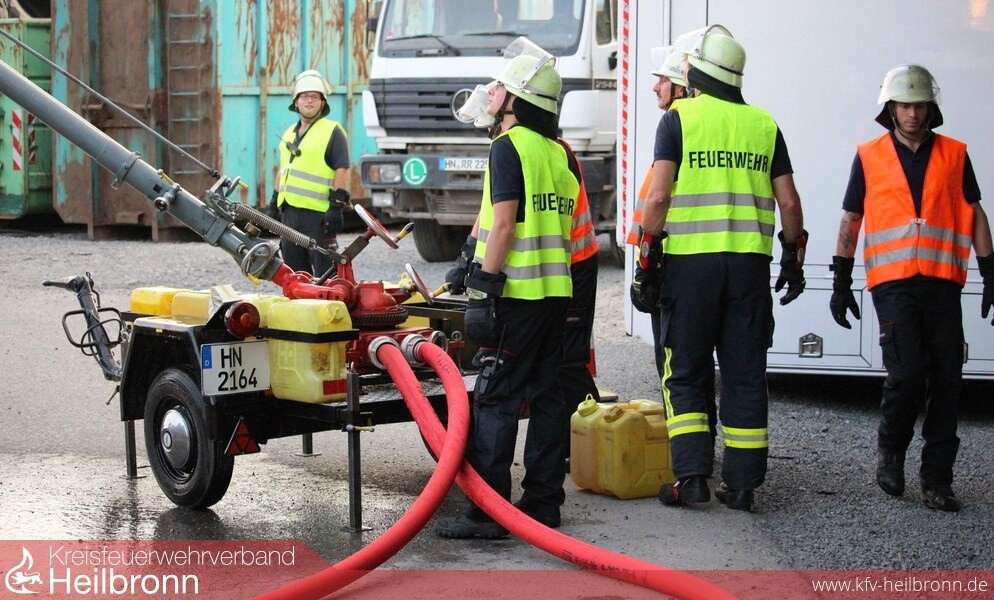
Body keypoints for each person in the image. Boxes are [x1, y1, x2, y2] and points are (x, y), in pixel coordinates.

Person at [640, 25, 807, 512]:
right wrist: (792, 257)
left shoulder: (679, 119)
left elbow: (658, 197)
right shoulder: (764, 124)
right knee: (744, 372)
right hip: (749, 269)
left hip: (691, 268)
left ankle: (691, 478)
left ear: (696, 71)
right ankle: (743, 485)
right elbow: (789, 202)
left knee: (685, 370)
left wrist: (647, 262)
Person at [830, 64, 994, 512]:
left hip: (942, 283)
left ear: (930, 108)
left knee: (947, 379)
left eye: (919, 105)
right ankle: (891, 450)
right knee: (905, 375)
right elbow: (851, 219)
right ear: (891, 108)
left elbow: (975, 212)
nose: (912, 114)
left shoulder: (955, 154)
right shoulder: (869, 155)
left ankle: (937, 480)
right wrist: (841, 281)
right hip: (893, 283)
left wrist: (989, 270)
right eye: (904, 105)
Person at [435, 48, 578, 538]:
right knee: (548, 398)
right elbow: (502, 217)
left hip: (515, 295)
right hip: (555, 294)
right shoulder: (558, 153)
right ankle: (543, 503)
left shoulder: (507, 147)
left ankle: (488, 513)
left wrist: (482, 289)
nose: (491, 94)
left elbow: (505, 225)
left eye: (500, 88)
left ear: (517, 100)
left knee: (495, 397)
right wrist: (465, 256)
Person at [629, 46, 718, 448]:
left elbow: (660, 202)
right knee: (694, 363)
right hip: (686, 262)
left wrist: (645, 267)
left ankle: (685, 451)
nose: (655, 88)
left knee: (675, 365)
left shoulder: (676, 127)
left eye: (663, 80)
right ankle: (701, 441)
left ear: (681, 87)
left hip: (670, 264)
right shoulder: (692, 128)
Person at [267, 69, 351, 276]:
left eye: (314, 96)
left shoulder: (332, 131)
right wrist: (274, 203)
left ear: (322, 103)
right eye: (304, 96)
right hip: (290, 215)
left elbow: (342, 168)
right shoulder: (289, 133)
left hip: (318, 217)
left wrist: (337, 206)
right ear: (296, 102)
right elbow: (284, 169)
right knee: (296, 275)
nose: (309, 101)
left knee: (326, 275)